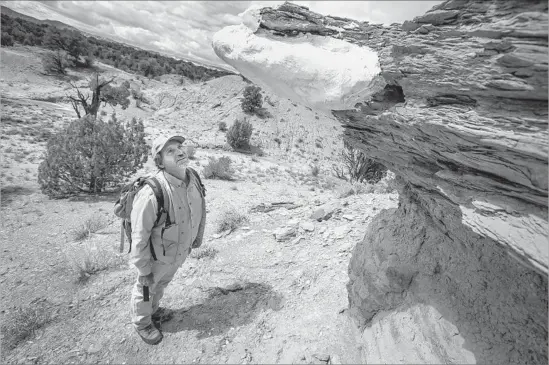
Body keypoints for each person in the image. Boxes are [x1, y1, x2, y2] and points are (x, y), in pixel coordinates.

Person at [129, 135, 206, 345]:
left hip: (177, 253)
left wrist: (196, 239)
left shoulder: (193, 178)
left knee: (162, 284)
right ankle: (142, 323)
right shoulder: (151, 193)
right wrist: (143, 270)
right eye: (170, 151)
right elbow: (139, 236)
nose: (180, 152)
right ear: (160, 161)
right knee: (145, 288)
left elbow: (200, 210)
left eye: (180, 147)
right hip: (155, 258)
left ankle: (152, 311)